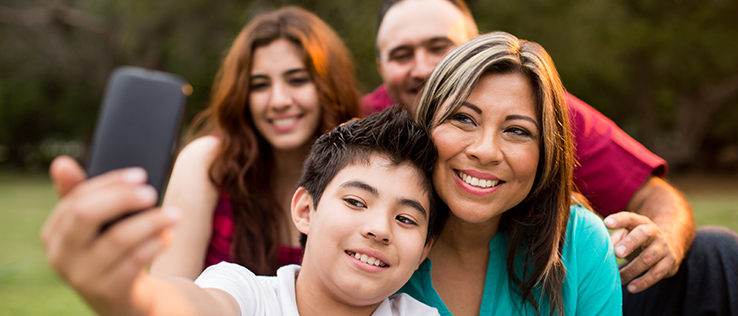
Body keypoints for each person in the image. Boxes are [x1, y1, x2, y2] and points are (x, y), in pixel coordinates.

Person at [364, 0, 738, 315]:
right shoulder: (358, 132)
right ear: (380, 69)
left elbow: (653, 193)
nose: (423, 67)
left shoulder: (540, 99)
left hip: (559, 271)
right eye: (402, 54)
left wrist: (660, 240)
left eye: (439, 47)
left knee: (717, 251)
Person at [41, 108, 445, 316]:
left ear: (425, 249)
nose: (379, 229)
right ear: (305, 209)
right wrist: (131, 294)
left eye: (406, 219)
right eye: (356, 201)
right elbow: (187, 305)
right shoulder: (245, 294)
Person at [395, 30, 621, 316]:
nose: (485, 151)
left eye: (517, 131)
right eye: (463, 118)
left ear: (547, 153)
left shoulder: (579, 242)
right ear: (426, 124)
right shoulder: (374, 234)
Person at [156, 6, 360, 279]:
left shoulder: (363, 172)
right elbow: (167, 295)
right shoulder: (207, 164)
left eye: (297, 80)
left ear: (329, 86)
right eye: (260, 85)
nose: (278, 101)